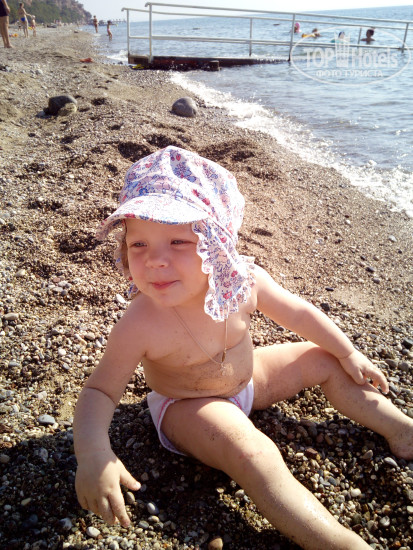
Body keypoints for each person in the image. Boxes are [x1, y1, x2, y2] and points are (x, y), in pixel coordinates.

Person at [74, 146, 413, 550]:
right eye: (139, 245)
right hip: (187, 407)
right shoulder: (141, 322)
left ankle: (400, 429)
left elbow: (300, 314)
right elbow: (100, 391)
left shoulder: (244, 282)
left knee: (322, 356)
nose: (155, 260)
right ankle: (338, 543)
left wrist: (347, 352)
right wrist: (94, 454)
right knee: (253, 454)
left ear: (216, 243)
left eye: (178, 241)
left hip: (248, 383)